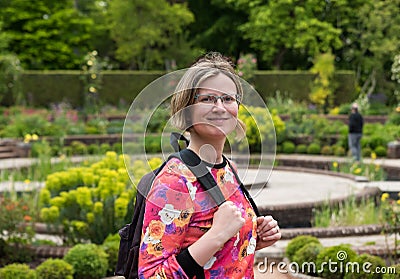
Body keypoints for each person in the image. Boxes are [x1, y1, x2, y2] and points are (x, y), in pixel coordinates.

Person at [138, 52, 281, 278]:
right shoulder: (176, 182)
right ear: (186, 109)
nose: (220, 107)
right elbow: (152, 275)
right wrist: (217, 235)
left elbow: (220, 255)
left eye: (228, 99)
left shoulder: (227, 170)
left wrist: (251, 237)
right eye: (207, 99)